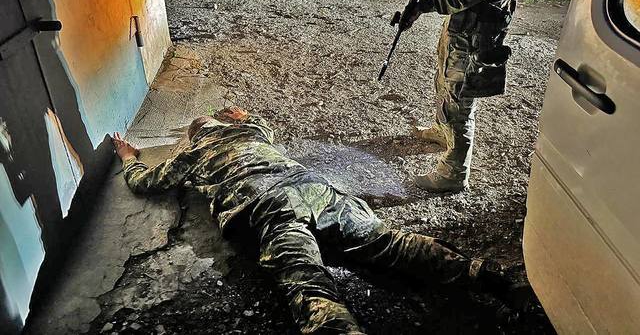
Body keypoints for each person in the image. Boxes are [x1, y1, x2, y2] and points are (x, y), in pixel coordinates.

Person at [112, 108, 525, 334]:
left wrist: (130, 158)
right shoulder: (252, 132)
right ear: (225, 124)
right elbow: (258, 121)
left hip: (266, 206)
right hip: (313, 189)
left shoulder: (192, 155)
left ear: (194, 137)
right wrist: (239, 116)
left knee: (307, 283)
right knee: (387, 241)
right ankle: (482, 274)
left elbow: (146, 183)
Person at [406, 0, 548, 193]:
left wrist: (424, 5)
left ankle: (453, 172)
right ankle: (444, 131)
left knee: (459, 92)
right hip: (468, 15)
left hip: (478, 17)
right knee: (445, 74)